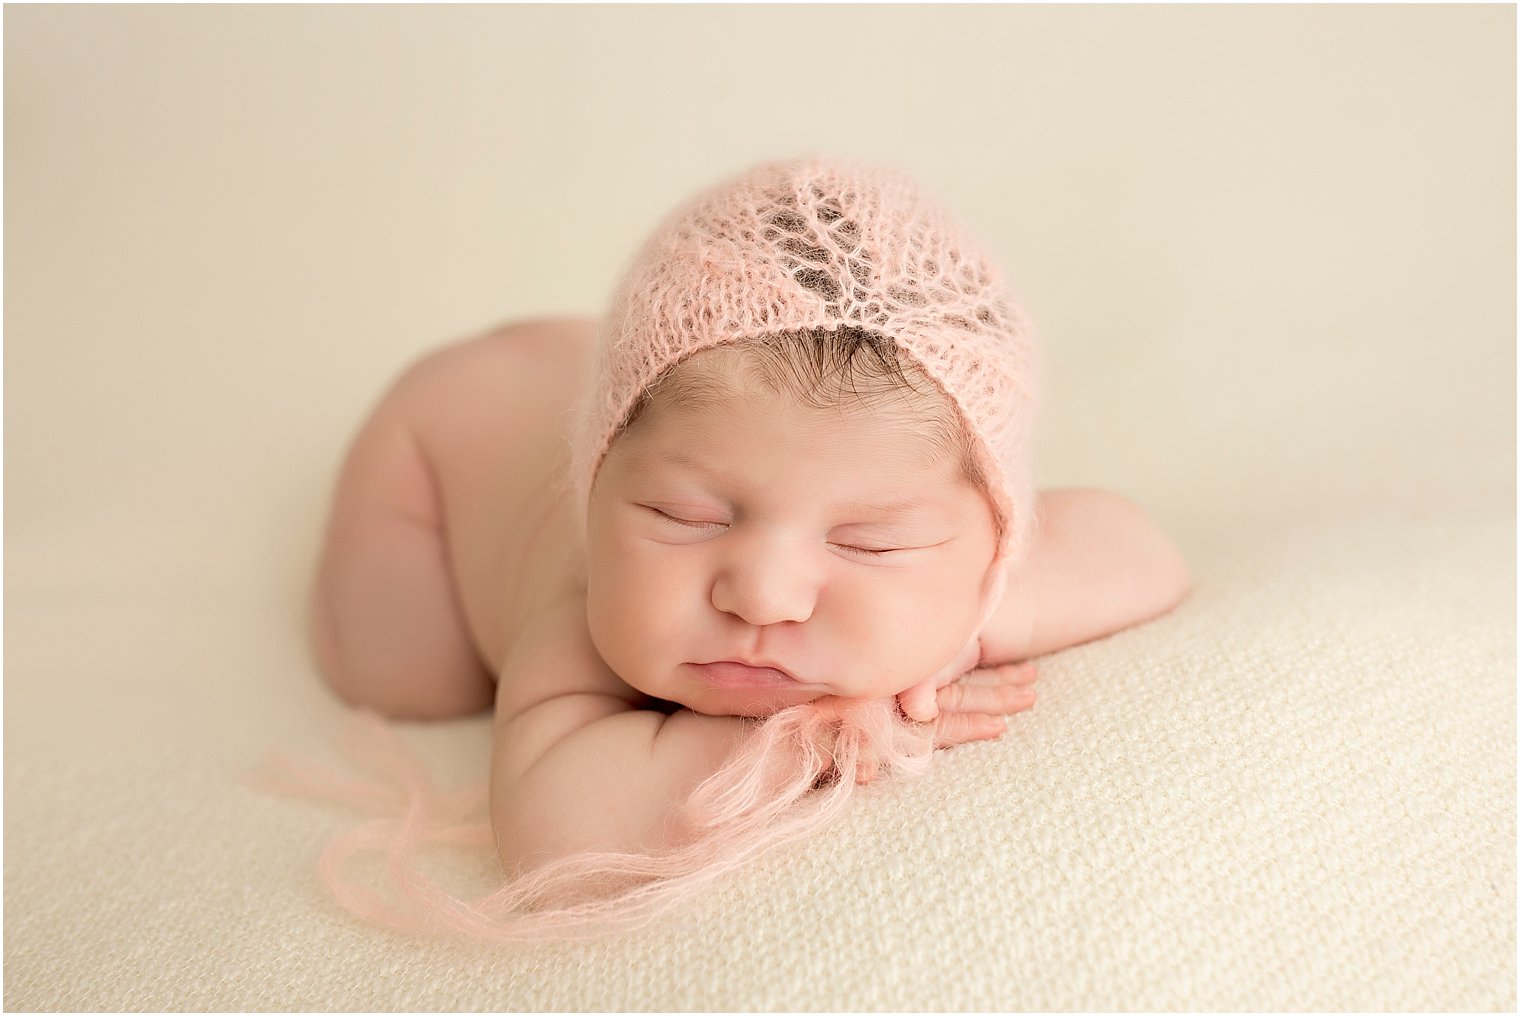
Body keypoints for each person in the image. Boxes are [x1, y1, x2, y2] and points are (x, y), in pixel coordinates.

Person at [307, 157, 1191, 891]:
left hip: (638, 384)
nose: (763, 595)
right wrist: (823, 738)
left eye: (865, 544)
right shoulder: (576, 619)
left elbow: (1141, 552)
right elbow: (558, 837)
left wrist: (964, 632)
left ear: (993, 545)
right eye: (683, 518)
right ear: (598, 492)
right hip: (441, 431)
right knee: (407, 680)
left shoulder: (967, 581)